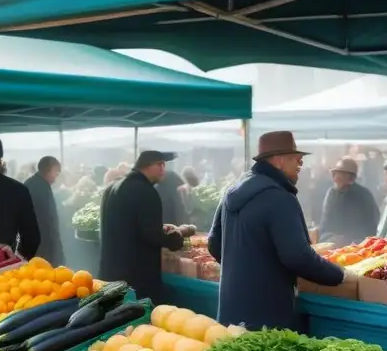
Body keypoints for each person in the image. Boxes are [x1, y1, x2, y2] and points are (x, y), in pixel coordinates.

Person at [209, 132, 346, 331]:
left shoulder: (232, 190)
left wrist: (245, 269)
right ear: (279, 161)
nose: (301, 164)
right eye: (296, 160)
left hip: (230, 312)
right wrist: (339, 275)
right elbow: (297, 256)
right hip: (267, 317)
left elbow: (214, 245)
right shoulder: (280, 198)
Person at [99, 151, 190, 303]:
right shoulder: (145, 191)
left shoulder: (112, 187)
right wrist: (176, 238)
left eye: (164, 164)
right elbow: (151, 234)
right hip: (135, 279)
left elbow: (129, 224)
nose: (163, 169)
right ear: (146, 166)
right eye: (159, 164)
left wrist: (159, 227)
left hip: (110, 273)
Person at [318, 157, 381, 246]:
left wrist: (351, 240)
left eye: (340, 175)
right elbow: (325, 222)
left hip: (357, 244)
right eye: (335, 174)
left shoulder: (363, 195)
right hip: (332, 242)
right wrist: (328, 237)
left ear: (351, 177)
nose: (335, 178)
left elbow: (372, 225)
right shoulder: (332, 193)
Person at [25, 156, 65, 266]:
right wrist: (58, 252)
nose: (56, 178)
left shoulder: (29, 183)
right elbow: (50, 220)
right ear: (48, 170)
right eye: (56, 173)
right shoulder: (42, 188)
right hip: (44, 246)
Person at [156, 159, 189, 227]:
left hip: (170, 213)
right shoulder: (169, 176)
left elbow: (183, 186)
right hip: (168, 215)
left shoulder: (169, 175)